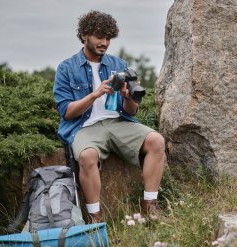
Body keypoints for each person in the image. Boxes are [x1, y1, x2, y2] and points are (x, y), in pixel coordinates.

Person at [53, 10, 165, 223]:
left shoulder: (118, 64)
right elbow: (66, 112)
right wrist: (95, 94)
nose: (104, 42)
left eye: (108, 38)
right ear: (85, 35)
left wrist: (128, 97)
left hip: (118, 122)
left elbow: (131, 111)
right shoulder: (66, 68)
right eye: (99, 37)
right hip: (84, 127)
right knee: (87, 156)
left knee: (156, 141)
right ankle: (95, 218)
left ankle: (149, 208)